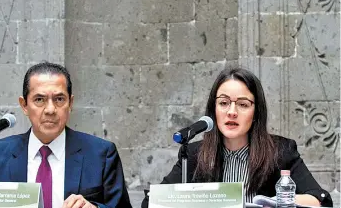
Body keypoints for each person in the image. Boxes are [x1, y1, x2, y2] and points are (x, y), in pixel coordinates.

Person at [141, 67, 333, 208]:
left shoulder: (281, 152)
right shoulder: (194, 155)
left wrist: (277, 202)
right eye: (224, 103)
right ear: (213, 109)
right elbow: (150, 202)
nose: (232, 112)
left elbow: (321, 200)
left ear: (256, 112)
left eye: (242, 104)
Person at [0, 62, 132, 208]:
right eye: (39, 100)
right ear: (24, 105)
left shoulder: (101, 155)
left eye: (59, 99)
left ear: (70, 103)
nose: (50, 109)